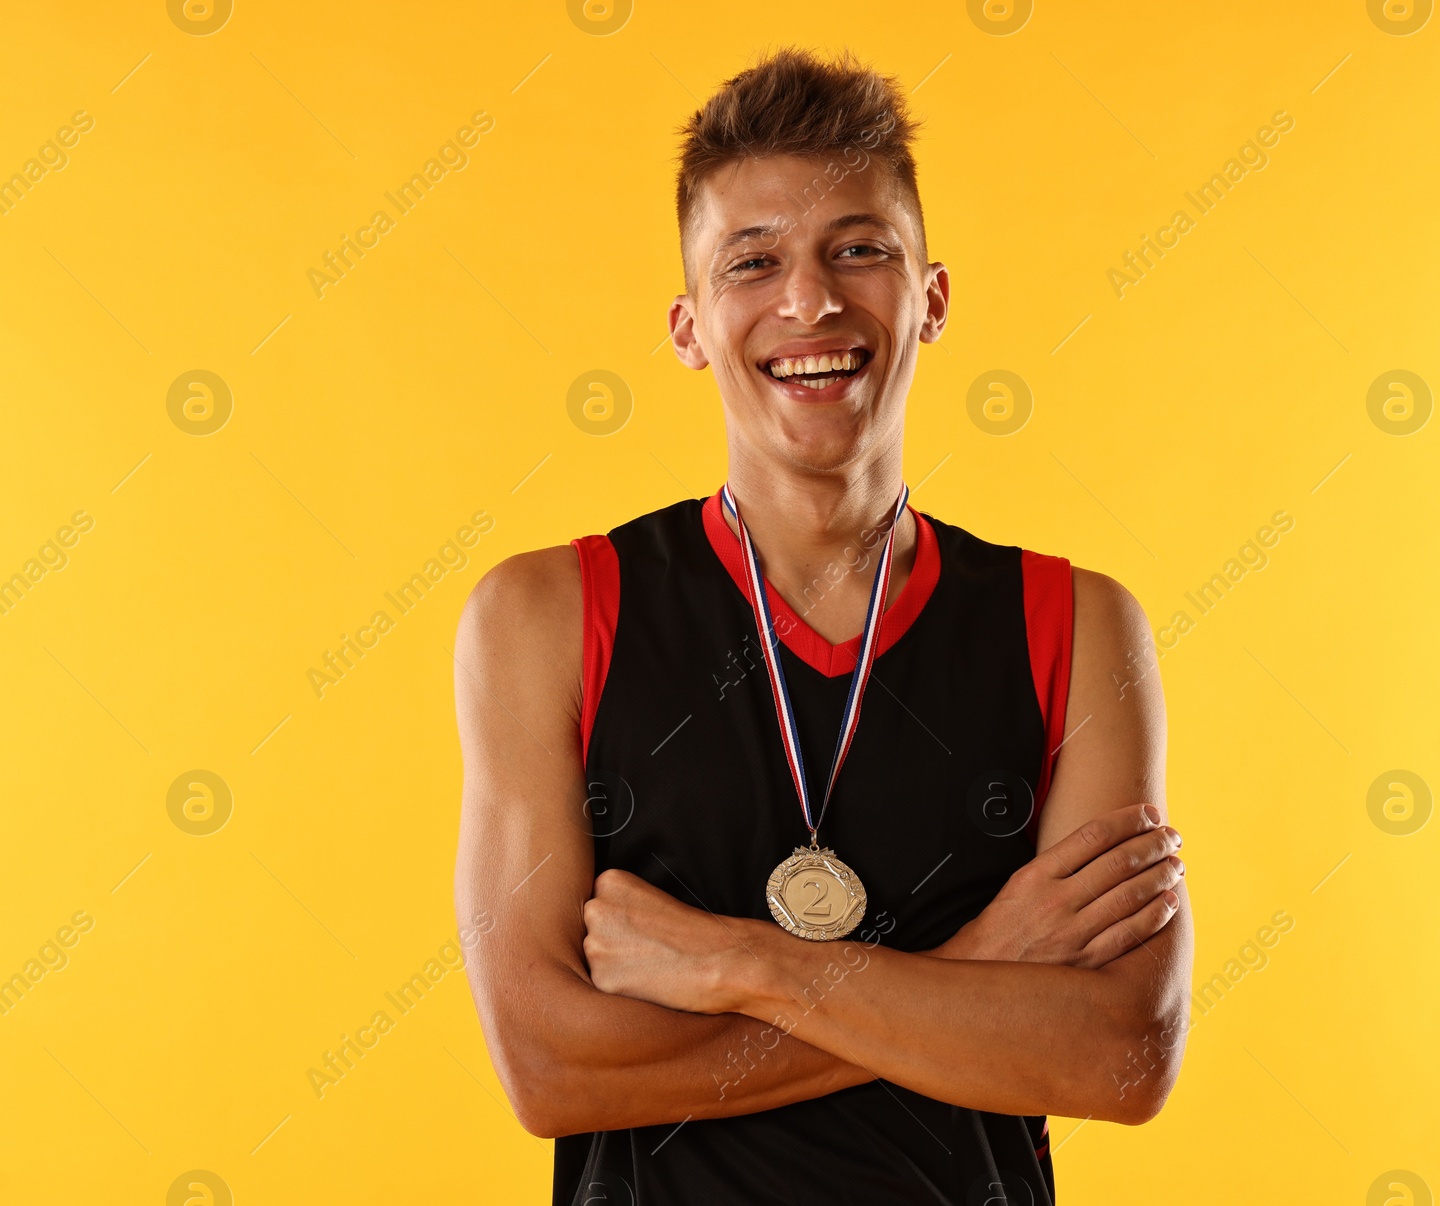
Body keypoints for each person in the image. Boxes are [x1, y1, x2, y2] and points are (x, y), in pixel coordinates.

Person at [453, 46, 1192, 1206]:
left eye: (859, 250)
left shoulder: (1074, 623)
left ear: (930, 298)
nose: (810, 301)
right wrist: (971, 976)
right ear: (690, 325)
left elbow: (1121, 1054)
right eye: (753, 262)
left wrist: (739, 962)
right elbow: (549, 1070)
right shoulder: (548, 613)